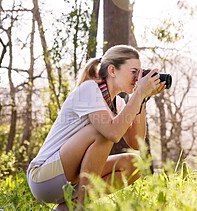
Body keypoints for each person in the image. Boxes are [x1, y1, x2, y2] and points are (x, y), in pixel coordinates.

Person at [26, 45, 165, 209]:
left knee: (133, 164)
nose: (138, 78)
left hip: (71, 179)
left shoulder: (118, 103)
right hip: (44, 177)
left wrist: (141, 99)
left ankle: (71, 206)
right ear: (112, 71)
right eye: (134, 72)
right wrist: (139, 93)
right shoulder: (89, 89)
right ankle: (83, 207)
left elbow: (137, 142)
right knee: (102, 132)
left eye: (140, 73)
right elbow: (112, 133)